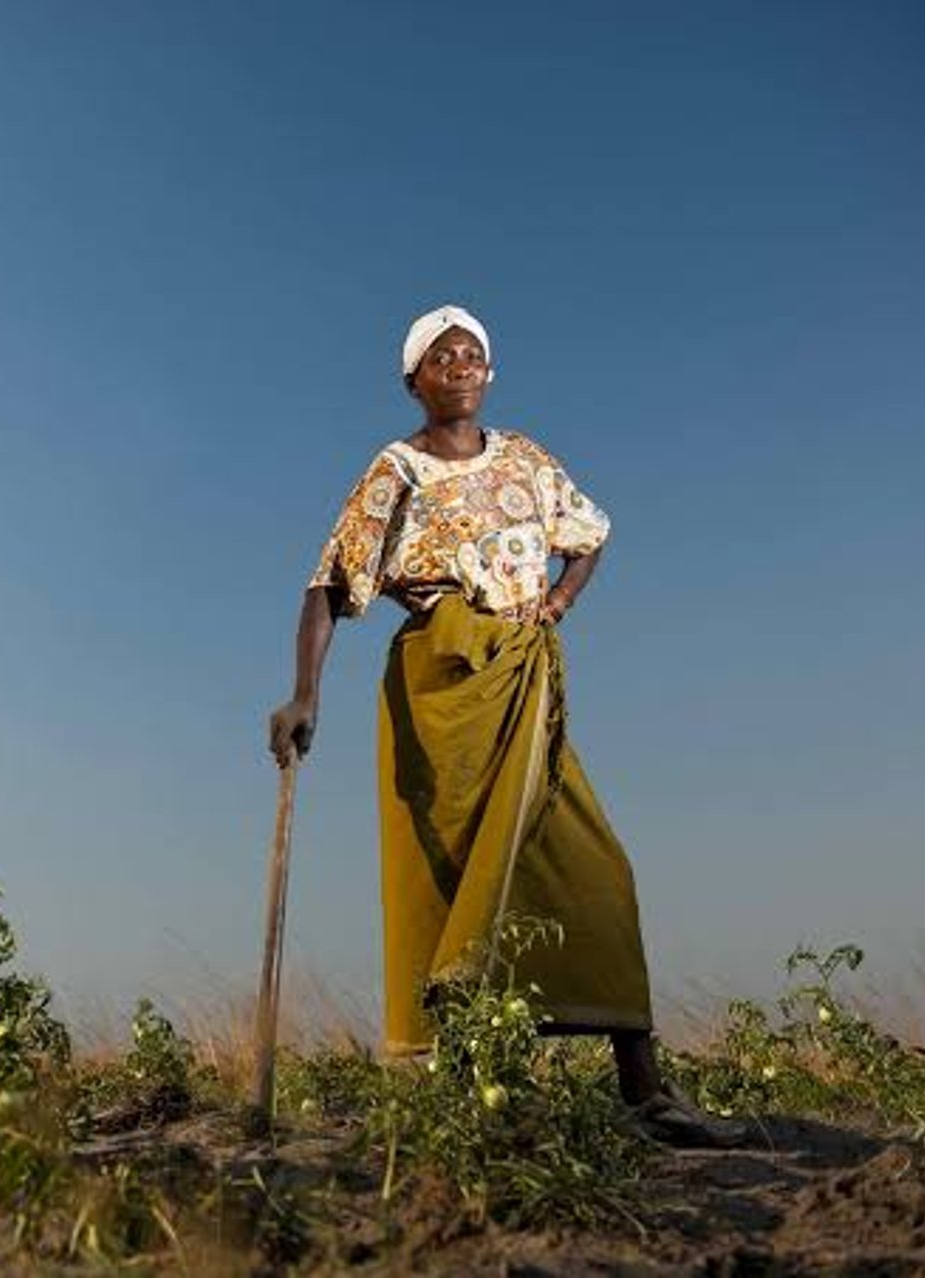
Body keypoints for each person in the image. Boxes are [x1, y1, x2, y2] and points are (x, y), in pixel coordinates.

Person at [267, 304, 745, 1148]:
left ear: (489, 374)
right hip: (440, 681)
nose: (460, 362)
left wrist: (557, 601)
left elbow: (590, 534)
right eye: (441, 354)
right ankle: (467, 1095)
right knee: (455, 881)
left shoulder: (527, 459)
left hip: (522, 676)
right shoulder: (396, 469)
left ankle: (645, 1091)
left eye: (473, 353)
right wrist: (305, 695)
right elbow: (329, 585)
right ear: (412, 381)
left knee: (598, 869)